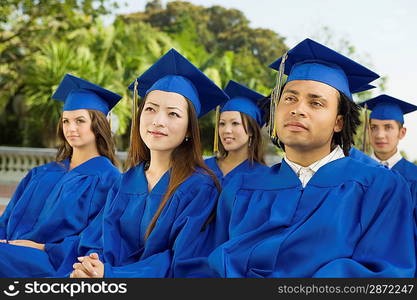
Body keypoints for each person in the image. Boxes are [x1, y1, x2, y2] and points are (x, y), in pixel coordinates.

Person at [204, 38, 415, 277]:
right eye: (290, 98)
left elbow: (388, 274)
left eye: (315, 102)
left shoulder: (379, 187)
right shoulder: (241, 190)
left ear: (339, 122)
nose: (297, 109)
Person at [70, 48, 228, 278]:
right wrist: (91, 267)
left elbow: (182, 261)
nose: (158, 121)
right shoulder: (125, 182)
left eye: (173, 114)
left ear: (188, 130)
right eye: (150, 109)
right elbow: (98, 240)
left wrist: (113, 276)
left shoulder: (200, 188)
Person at [0, 74, 122, 277]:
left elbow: (98, 239)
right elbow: (6, 219)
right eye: (66, 121)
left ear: (99, 125)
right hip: (8, 254)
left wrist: (42, 247)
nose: (70, 128)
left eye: (80, 121)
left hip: (52, 263)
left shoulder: (110, 181)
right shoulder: (41, 173)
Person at [205, 80, 270, 187]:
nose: (226, 130)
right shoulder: (202, 169)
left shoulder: (263, 177)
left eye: (235, 123)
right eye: (222, 124)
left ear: (251, 130)